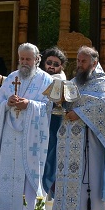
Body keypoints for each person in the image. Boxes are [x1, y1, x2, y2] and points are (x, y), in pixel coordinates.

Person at [46, 46, 105, 210]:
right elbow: (66, 101)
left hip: (90, 146)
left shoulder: (103, 82)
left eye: (83, 61)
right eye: (78, 61)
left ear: (94, 63)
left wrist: (80, 113)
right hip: (69, 143)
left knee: (87, 186)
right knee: (66, 184)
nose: (79, 65)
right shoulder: (74, 82)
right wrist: (60, 102)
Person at [0, 43, 53, 210]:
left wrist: (30, 105)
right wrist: (6, 104)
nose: (24, 63)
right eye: (21, 59)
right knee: (8, 175)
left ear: (37, 59)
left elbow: (50, 107)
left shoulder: (46, 80)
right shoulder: (11, 79)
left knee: (27, 177)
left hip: (31, 139)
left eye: (28, 59)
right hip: (10, 138)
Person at [40, 47, 67, 195]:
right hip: (41, 122)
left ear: (61, 66)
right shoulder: (40, 77)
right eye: (49, 62)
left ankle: (49, 196)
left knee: (51, 157)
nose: (51, 66)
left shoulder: (60, 80)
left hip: (54, 123)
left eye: (56, 64)